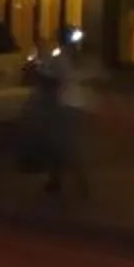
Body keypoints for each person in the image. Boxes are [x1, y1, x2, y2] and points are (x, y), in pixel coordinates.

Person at [41, 33, 94, 200]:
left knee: (63, 143)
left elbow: (46, 76)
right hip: (80, 105)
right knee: (64, 142)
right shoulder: (81, 59)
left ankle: (78, 182)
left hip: (65, 105)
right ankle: (57, 180)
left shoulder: (60, 58)